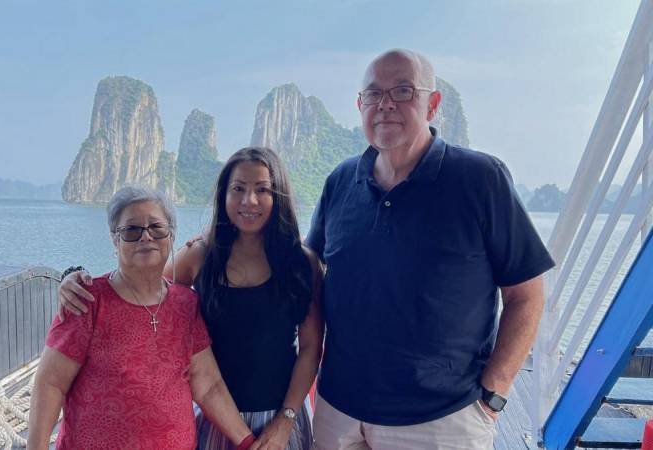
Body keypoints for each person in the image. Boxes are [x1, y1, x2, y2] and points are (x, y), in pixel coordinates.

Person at [305, 49, 555, 449]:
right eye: (373, 94)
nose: (385, 104)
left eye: (403, 90)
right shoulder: (340, 181)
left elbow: (526, 294)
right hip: (339, 412)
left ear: (433, 104)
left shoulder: (480, 179)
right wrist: (223, 245)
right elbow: (310, 265)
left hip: (442, 420)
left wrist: (493, 393)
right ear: (360, 105)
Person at [58, 147, 324, 450]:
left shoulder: (302, 264)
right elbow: (139, 288)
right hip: (213, 417)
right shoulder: (201, 256)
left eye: (262, 189)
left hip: (280, 421)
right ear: (224, 195)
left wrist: (285, 421)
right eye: (238, 188)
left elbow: (310, 348)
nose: (249, 200)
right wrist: (73, 277)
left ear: (278, 197)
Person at [28, 185, 255, 450]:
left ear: (171, 235)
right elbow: (50, 383)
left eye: (156, 227)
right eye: (131, 230)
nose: (146, 237)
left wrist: (248, 442)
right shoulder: (87, 300)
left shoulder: (186, 304)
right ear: (115, 239)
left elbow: (208, 385)